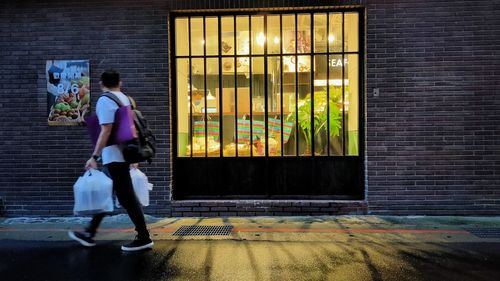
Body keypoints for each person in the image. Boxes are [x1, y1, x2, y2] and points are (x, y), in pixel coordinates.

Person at [68, 69, 153, 252]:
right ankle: (90, 233)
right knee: (109, 194)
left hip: (114, 158)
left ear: (101, 83)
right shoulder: (126, 99)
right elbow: (131, 130)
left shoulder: (105, 100)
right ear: (119, 82)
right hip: (122, 157)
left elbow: (106, 130)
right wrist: (131, 157)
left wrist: (94, 156)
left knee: (128, 199)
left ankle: (144, 237)